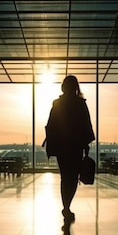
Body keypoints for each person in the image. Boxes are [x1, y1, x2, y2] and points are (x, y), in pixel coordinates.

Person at [44, 75, 95, 221]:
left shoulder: (57, 104)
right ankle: (67, 206)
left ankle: (66, 206)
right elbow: (86, 125)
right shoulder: (80, 104)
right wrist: (86, 145)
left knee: (65, 177)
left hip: (61, 146)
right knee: (73, 178)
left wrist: (51, 146)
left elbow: (51, 125)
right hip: (75, 146)